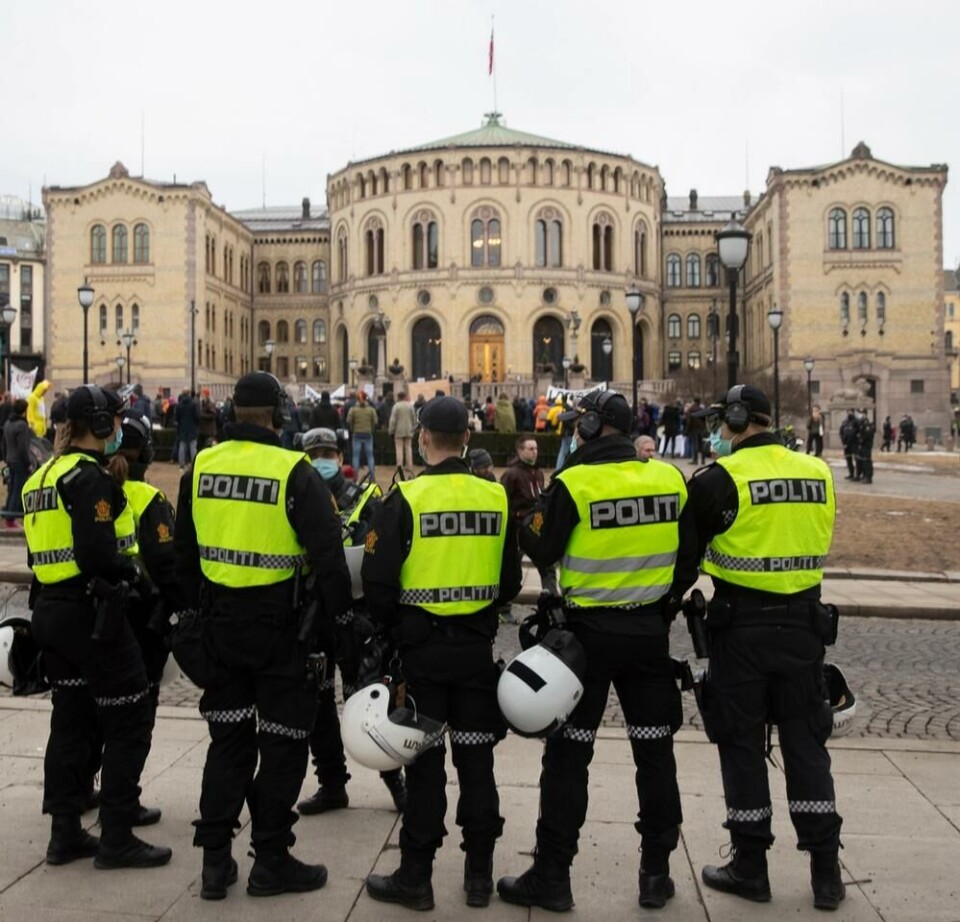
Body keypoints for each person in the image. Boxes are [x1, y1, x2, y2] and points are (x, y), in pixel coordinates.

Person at [498, 389, 687, 912]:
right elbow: (687, 549)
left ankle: (553, 874)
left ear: (592, 424)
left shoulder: (574, 482)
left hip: (585, 642)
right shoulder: (668, 477)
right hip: (649, 635)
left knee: (568, 757)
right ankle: (656, 873)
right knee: (655, 755)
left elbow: (539, 544)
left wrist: (536, 507)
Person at [173, 371, 352, 900]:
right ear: (278, 414)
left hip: (219, 627)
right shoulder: (293, 470)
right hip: (281, 631)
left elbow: (185, 556)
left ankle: (214, 863)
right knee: (282, 745)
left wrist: (189, 618)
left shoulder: (200, 467)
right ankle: (271, 859)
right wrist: (342, 626)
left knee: (227, 742)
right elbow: (328, 557)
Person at [671, 384, 844, 911]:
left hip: (741, 630)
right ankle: (826, 872)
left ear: (741, 419)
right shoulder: (818, 472)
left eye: (722, 422)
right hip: (805, 628)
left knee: (742, 743)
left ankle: (750, 865)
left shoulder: (720, 480)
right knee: (806, 744)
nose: (718, 432)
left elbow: (686, 558)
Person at [362, 395, 521, 911]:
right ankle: (479, 876)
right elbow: (510, 581)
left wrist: (396, 628)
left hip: (422, 655)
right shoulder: (494, 497)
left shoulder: (404, 498)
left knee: (424, 768)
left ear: (423, 438)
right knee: (478, 764)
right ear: (469, 441)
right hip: (475, 652)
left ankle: (416, 877)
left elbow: (377, 582)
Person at [23, 385, 172, 870]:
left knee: (70, 720)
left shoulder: (39, 477)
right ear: (103, 426)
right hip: (93, 614)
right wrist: (128, 576)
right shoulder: (90, 480)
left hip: (50, 609)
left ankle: (64, 831)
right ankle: (117, 834)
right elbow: (97, 555)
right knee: (128, 715)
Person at [293, 426, 406, 817]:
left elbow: (382, 548)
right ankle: (331, 783)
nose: (323, 459)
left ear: (341, 458)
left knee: (371, 700)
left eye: (328, 452)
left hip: (358, 616)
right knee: (319, 702)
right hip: (315, 614)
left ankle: (396, 782)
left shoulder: (366, 498)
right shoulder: (298, 495)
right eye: (315, 452)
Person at [500, 435, 559, 599]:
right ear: (520, 451)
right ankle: (505, 606)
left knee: (547, 566)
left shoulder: (538, 472)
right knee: (511, 569)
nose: (535, 452)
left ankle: (551, 600)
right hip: (518, 530)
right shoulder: (511, 475)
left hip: (535, 528)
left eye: (536, 448)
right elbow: (503, 502)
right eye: (530, 449)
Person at [3, 398, 31, 527]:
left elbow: (4, 444)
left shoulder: (8, 423)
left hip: (10, 459)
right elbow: (23, 448)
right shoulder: (22, 425)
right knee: (18, 489)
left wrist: (6, 458)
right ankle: (11, 518)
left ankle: (7, 513)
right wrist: (28, 463)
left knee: (11, 488)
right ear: (24, 411)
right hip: (19, 461)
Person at [346, 389, 378, 481]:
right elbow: (375, 422)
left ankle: (355, 476)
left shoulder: (353, 410)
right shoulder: (371, 410)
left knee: (356, 456)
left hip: (356, 434)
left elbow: (349, 421)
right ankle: (372, 476)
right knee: (370, 456)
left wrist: (353, 428)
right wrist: (370, 429)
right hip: (368, 433)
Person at [389, 390, 417, 471]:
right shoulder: (410, 406)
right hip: (409, 429)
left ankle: (399, 466)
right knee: (408, 448)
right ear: (405, 397)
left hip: (398, 430)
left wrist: (391, 430)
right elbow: (414, 418)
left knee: (399, 449)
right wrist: (414, 428)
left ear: (398, 397)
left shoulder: (396, 406)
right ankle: (409, 465)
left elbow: (393, 420)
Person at [174, 389, 199, 470]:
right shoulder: (193, 404)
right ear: (189, 394)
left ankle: (181, 465)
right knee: (193, 447)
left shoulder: (179, 405)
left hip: (182, 428)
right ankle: (194, 464)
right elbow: (197, 416)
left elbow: (176, 418)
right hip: (192, 427)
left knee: (182, 447)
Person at [855, 409, 876, 484]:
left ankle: (868, 477)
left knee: (867, 460)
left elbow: (867, 434)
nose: (860, 415)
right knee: (862, 460)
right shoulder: (861, 423)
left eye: (862, 413)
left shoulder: (866, 423)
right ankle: (864, 475)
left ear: (865, 414)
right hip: (862, 445)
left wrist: (861, 440)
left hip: (866, 445)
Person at [839, 410, 860, 480]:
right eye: (848, 412)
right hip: (846, 444)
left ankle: (857, 475)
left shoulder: (856, 422)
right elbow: (841, 432)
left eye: (851, 412)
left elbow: (858, 432)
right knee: (848, 459)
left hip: (854, 443)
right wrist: (843, 442)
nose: (849, 413)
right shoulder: (845, 422)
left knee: (857, 459)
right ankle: (851, 474)